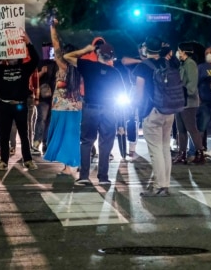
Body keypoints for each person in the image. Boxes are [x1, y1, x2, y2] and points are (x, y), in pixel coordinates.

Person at [65, 41, 127, 186]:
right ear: (111, 57)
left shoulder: (88, 66)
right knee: (106, 144)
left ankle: (84, 176)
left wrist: (85, 49)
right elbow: (122, 95)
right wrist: (122, 122)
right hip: (109, 110)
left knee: (86, 141)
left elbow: (67, 56)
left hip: (91, 108)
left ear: (98, 53)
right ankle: (103, 177)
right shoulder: (115, 73)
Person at [133, 36, 182, 197]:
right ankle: (165, 184)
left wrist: (137, 109)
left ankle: (159, 187)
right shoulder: (167, 63)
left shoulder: (143, 66)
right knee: (164, 148)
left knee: (155, 150)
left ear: (146, 48)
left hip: (151, 111)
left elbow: (139, 93)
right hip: (169, 110)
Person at [0, 31, 40, 171]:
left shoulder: (24, 68)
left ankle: (28, 160)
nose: (12, 57)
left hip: (20, 105)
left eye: (14, 55)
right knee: (4, 134)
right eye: (9, 55)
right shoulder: (0, 69)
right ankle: (3, 161)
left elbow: (35, 60)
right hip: (4, 105)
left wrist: (28, 43)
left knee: (24, 134)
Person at [43, 19, 82, 177]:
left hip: (61, 108)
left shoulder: (64, 66)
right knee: (71, 137)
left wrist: (52, 27)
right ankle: (69, 165)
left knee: (62, 137)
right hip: (75, 107)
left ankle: (72, 164)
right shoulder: (81, 68)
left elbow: (55, 45)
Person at [173, 42, 203, 165]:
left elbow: (192, 84)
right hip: (181, 101)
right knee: (181, 130)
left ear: (184, 52)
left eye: (179, 50)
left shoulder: (190, 64)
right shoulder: (182, 64)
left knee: (191, 128)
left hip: (189, 102)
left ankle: (200, 153)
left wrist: (183, 92)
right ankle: (182, 154)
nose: (178, 53)